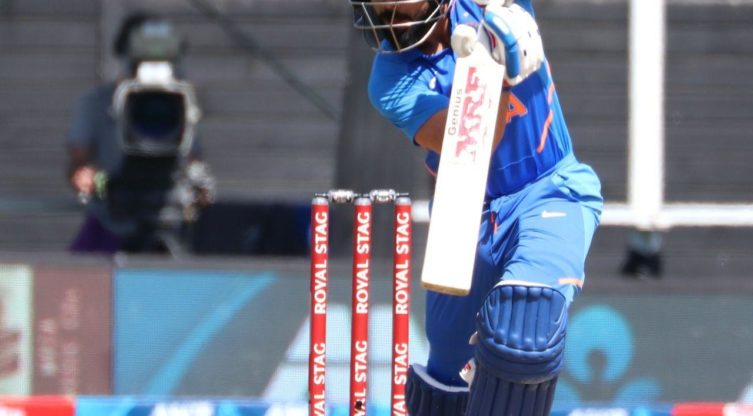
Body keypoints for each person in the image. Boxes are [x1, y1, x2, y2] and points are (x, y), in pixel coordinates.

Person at [347, 0, 603, 414]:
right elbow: (471, 145)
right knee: (445, 383)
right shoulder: (390, 80)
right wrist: (501, 71)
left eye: (400, 9)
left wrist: (508, 28)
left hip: (549, 189)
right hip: (462, 206)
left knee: (525, 328)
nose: (388, 20)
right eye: (381, 10)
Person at [66, 12, 214, 254]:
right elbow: (78, 166)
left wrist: (199, 185)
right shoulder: (95, 102)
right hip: (111, 222)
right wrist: (99, 183)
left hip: (168, 219)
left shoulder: (181, 101)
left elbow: (194, 160)